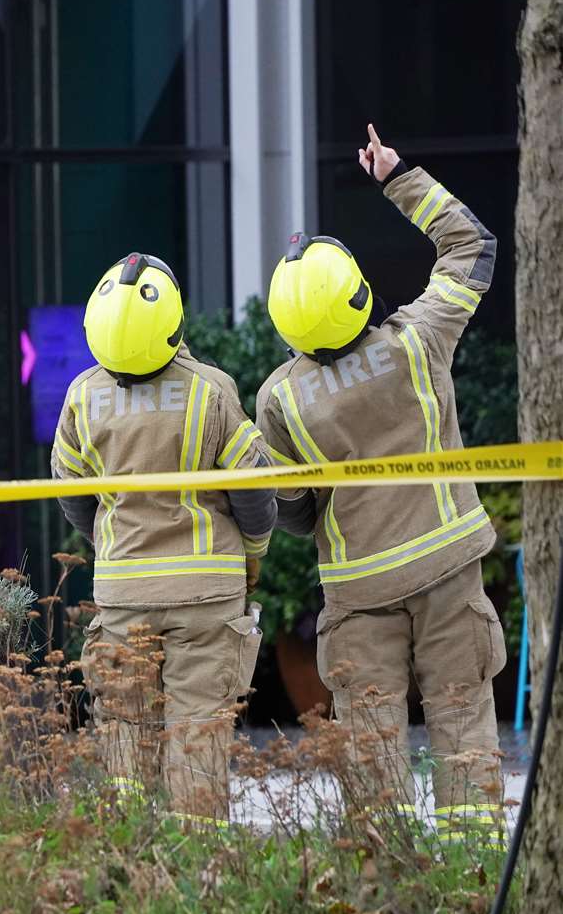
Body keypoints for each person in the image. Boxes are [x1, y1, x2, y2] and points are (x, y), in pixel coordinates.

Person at [256, 124, 504, 844]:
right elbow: (471, 247)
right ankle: (474, 873)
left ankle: (385, 883)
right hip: (449, 567)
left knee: (371, 737)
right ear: (359, 293)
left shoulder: (281, 398)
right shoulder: (419, 340)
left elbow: (296, 514)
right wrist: (398, 176)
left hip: (359, 590)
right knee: (460, 714)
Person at [52, 253, 275, 829]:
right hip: (208, 595)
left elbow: (74, 498)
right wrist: (254, 555)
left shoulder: (81, 396)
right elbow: (254, 495)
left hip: (124, 597)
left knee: (125, 729)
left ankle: (130, 852)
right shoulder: (211, 390)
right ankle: (199, 862)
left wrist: (113, 546)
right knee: (198, 728)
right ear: (174, 322)